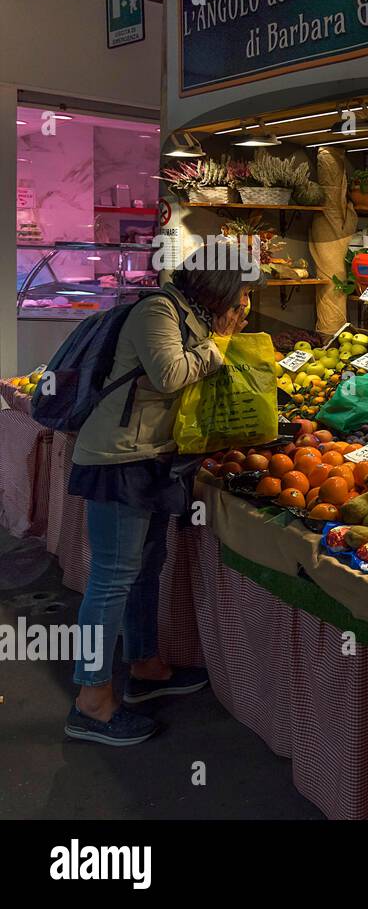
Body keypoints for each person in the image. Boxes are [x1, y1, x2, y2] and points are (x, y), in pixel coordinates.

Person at [66, 242, 261, 746]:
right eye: (240, 292)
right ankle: (91, 700)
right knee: (111, 580)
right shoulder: (158, 309)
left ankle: (145, 665)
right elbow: (169, 374)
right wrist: (217, 346)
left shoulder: (189, 315)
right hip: (118, 460)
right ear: (220, 285)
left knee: (146, 567)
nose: (243, 303)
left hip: (154, 457)